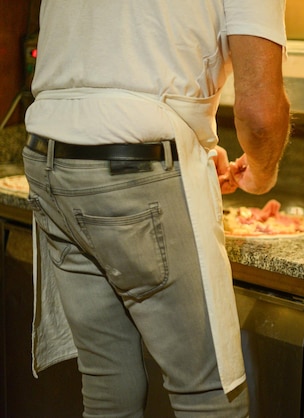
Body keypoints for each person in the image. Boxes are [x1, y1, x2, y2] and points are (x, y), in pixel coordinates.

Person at [23, 0, 290, 416]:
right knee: (209, 393)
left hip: (50, 159)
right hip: (138, 168)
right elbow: (260, 115)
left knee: (107, 382)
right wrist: (262, 170)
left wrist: (196, 145)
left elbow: (118, 69)